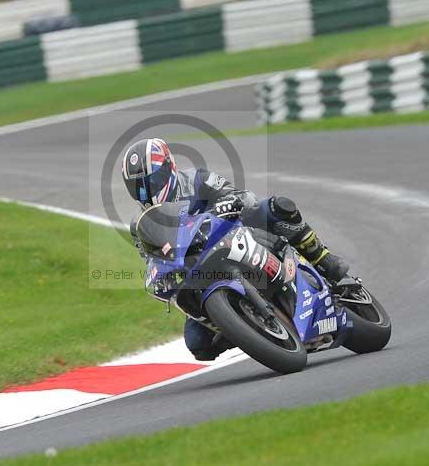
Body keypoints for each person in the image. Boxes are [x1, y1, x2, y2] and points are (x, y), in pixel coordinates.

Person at [121, 138, 350, 361]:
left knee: (276, 207)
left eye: (153, 181)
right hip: (201, 274)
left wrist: (229, 202)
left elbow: (243, 197)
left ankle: (322, 258)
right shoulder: (140, 225)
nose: (147, 191)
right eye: (138, 187)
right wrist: (158, 277)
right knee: (198, 345)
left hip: (237, 234)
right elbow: (153, 259)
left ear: (170, 167)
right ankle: (247, 327)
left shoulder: (197, 179)